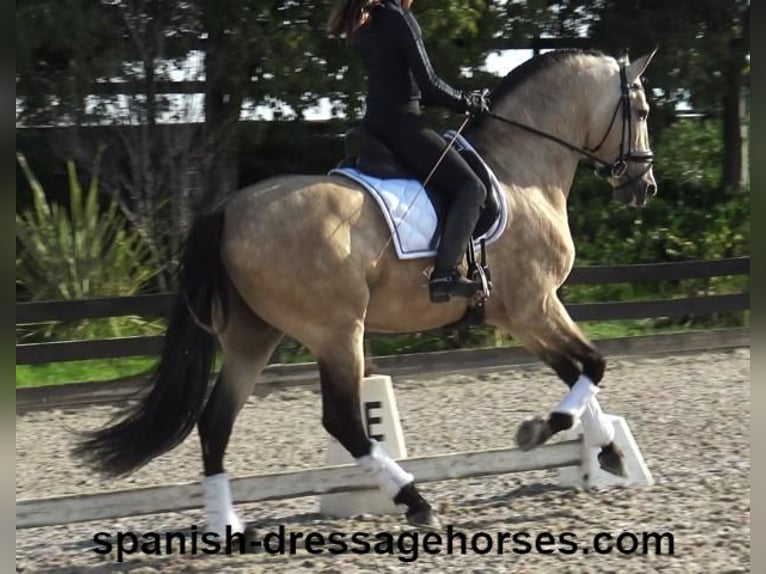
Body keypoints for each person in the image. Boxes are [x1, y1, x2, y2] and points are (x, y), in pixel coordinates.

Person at [328, 0, 491, 303]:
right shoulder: (399, 19)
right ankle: (445, 274)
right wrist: (467, 101)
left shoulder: (371, 20)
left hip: (375, 123)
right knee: (472, 188)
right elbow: (429, 85)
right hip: (402, 126)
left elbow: (406, 84)